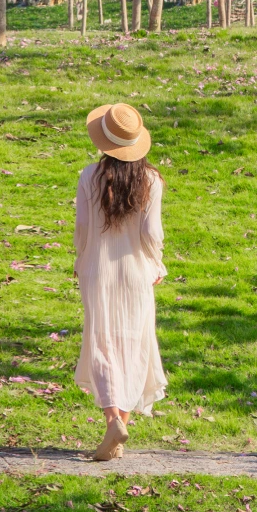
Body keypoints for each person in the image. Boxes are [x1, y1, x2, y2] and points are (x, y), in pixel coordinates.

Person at [73, 102, 167, 461]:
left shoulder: (88, 177)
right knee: (134, 344)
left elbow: (83, 229)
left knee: (102, 343)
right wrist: (157, 265)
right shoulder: (152, 180)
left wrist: (81, 261)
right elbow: (151, 233)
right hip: (136, 272)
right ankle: (118, 427)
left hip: (98, 271)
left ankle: (114, 421)